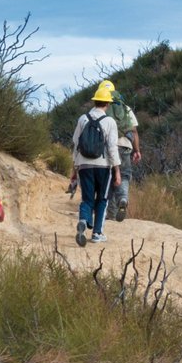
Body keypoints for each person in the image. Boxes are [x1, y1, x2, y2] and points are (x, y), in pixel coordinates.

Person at [71, 86, 121, 246]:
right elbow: (112, 147)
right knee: (102, 199)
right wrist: (117, 170)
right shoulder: (110, 122)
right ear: (107, 104)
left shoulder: (82, 119)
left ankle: (84, 221)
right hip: (103, 166)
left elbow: (76, 143)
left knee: (87, 198)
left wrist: (74, 167)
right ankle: (97, 233)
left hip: (84, 165)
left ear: (94, 101)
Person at [97, 79, 141, 221]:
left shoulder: (101, 108)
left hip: (106, 147)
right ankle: (123, 198)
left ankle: (110, 214)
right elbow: (134, 131)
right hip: (125, 146)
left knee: (107, 178)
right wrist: (137, 150)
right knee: (125, 175)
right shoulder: (126, 108)